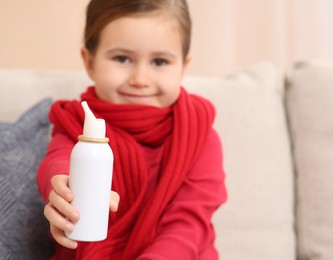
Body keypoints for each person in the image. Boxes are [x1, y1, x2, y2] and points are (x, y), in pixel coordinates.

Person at [37, 0, 227, 259]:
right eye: (122, 58)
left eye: (159, 61)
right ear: (90, 62)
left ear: (184, 66)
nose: (140, 79)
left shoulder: (199, 135)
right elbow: (58, 160)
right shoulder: (76, 123)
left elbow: (188, 224)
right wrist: (59, 187)